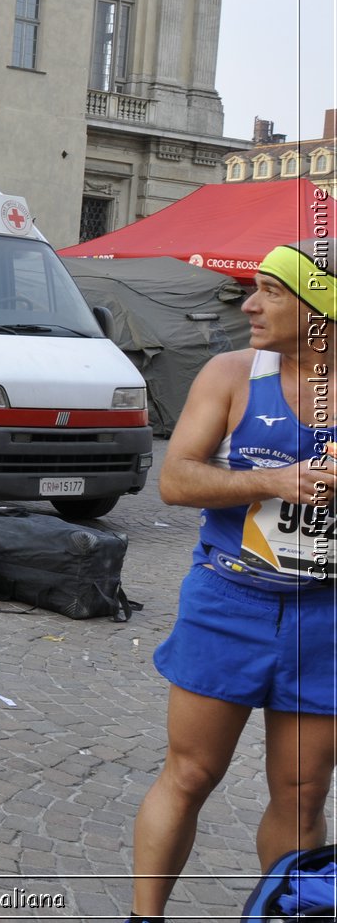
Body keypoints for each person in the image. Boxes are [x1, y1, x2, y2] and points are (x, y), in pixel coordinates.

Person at [125, 239, 337, 923]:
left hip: (326, 618)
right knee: (189, 773)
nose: (249, 303)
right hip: (230, 599)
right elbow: (175, 478)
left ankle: (290, 913)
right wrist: (273, 479)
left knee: (303, 793)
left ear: (318, 313)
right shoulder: (231, 373)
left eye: (271, 291)